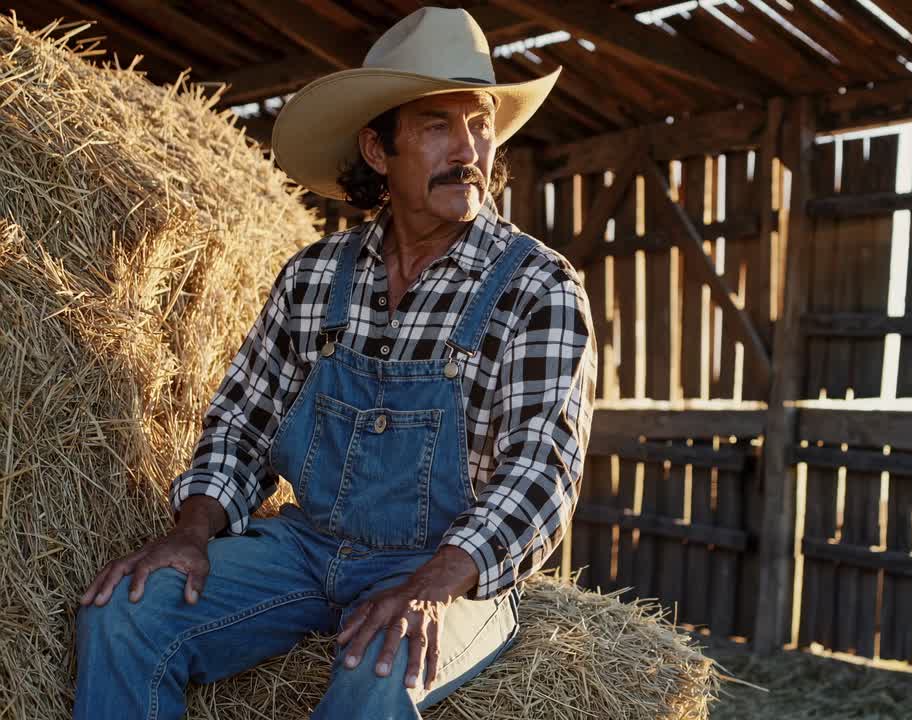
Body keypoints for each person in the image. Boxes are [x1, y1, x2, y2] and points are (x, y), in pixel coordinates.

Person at [72, 7, 595, 719]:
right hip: (307, 549)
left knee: (377, 667)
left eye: (480, 123)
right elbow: (242, 426)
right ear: (378, 151)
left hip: (449, 567)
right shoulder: (315, 275)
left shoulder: (537, 286)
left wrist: (432, 584)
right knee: (126, 612)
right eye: (437, 126)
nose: (468, 148)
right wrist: (190, 534)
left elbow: (542, 472)